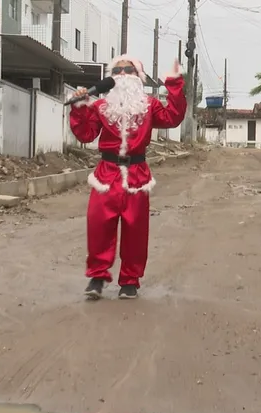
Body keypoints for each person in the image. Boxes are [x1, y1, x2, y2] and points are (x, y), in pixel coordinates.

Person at [69, 55, 186, 300]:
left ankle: (130, 280)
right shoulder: (101, 106)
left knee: (136, 229)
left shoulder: (150, 105)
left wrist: (174, 85)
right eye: (117, 69)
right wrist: (79, 109)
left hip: (137, 173)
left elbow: (173, 117)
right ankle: (97, 276)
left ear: (138, 76)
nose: (122, 73)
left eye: (128, 69)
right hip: (106, 173)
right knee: (98, 225)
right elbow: (87, 134)